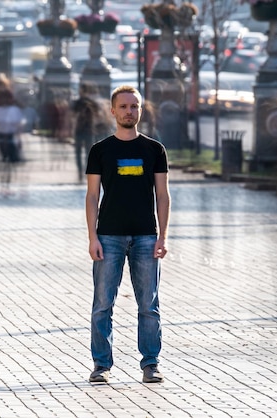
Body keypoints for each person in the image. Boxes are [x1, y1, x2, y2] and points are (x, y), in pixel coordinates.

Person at [85, 85, 171, 384]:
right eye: (123, 107)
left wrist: (163, 235)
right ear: (112, 111)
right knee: (103, 305)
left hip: (146, 236)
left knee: (149, 305)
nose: (129, 111)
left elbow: (162, 194)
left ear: (141, 110)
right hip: (108, 235)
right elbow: (92, 195)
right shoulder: (100, 150)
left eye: (134, 106)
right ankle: (101, 365)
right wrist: (92, 237)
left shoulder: (154, 150)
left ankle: (151, 364)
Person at [0, 89, 24, 196]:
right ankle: (2, 183)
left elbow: (18, 126)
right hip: (0, 137)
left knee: (10, 163)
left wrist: (19, 139)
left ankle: (7, 184)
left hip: (10, 136)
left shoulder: (14, 110)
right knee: (2, 162)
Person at [71, 83, 99, 181]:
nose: (79, 92)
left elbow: (73, 115)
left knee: (82, 152)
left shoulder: (80, 102)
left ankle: (82, 172)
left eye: (81, 90)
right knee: (86, 152)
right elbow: (97, 114)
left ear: (84, 91)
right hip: (86, 130)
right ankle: (84, 171)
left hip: (83, 130)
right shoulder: (90, 102)